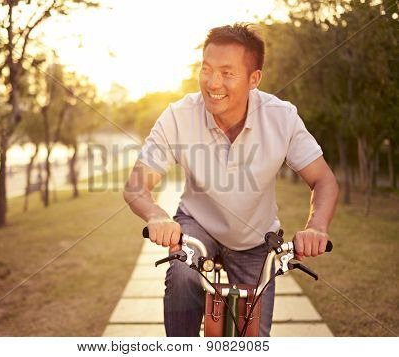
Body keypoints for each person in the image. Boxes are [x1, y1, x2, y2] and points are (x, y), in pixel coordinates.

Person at [123, 23, 339, 337]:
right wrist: (157, 216)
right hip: (198, 226)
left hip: (255, 237)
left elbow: (324, 181)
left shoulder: (281, 117)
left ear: (254, 79)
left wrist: (316, 225)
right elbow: (136, 185)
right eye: (206, 69)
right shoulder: (178, 115)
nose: (212, 83)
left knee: (254, 339)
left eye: (227, 72)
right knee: (182, 275)